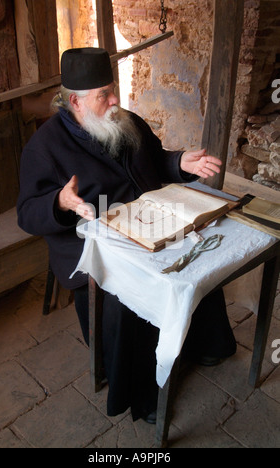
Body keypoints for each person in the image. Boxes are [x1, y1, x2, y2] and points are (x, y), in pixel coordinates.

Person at [17, 48, 236, 424]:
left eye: (112, 89)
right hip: (95, 247)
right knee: (130, 297)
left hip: (150, 224)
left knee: (200, 256)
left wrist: (179, 162)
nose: (114, 100)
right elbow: (27, 213)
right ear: (76, 102)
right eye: (104, 94)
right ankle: (143, 392)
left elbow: (155, 158)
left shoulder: (125, 120)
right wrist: (60, 202)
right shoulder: (45, 147)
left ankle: (204, 343)